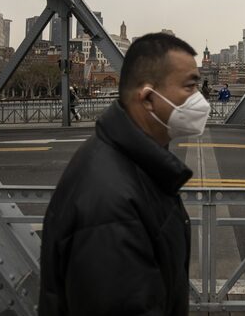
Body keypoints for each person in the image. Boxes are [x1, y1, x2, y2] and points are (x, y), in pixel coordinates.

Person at [39, 32, 210, 316]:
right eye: (189, 86)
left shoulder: (132, 166)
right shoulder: (110, 207)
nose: (199, 99)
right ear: (147, 99)